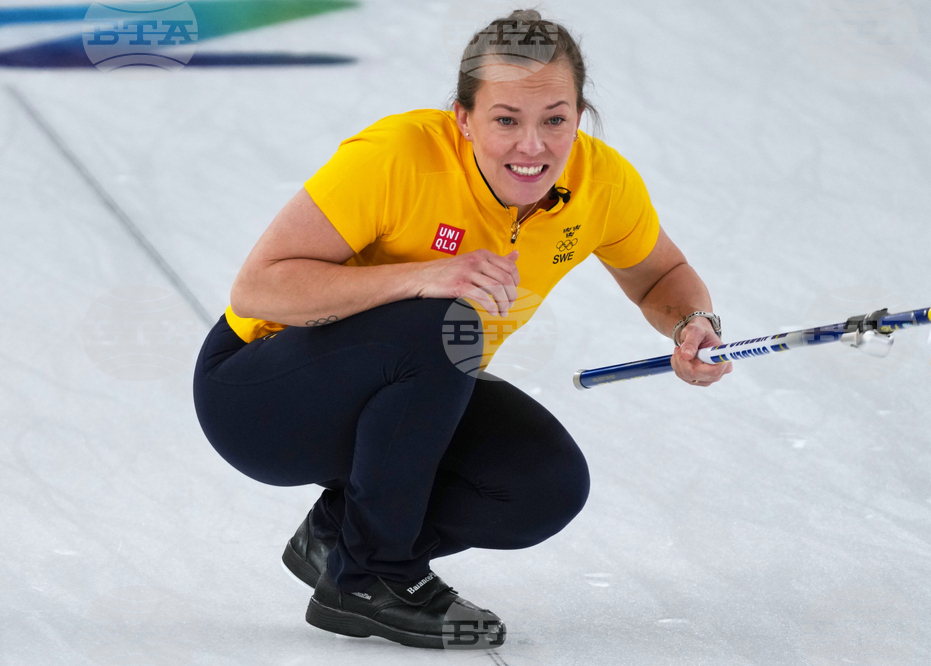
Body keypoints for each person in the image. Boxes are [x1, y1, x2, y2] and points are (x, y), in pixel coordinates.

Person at [192, 8, 732, 651]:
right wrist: (423, 276)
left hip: (401, 395)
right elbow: (260, 286)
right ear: (464, 119)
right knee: (444, 324)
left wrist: (693, 323)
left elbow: (659, 275)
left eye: (555, 119)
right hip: (260, 394)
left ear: (579, 115)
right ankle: (370, 578)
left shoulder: (602, 184)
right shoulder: (398, 156)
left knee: (543, 483)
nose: (532, 146)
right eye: (506, 120)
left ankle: (339, 539)